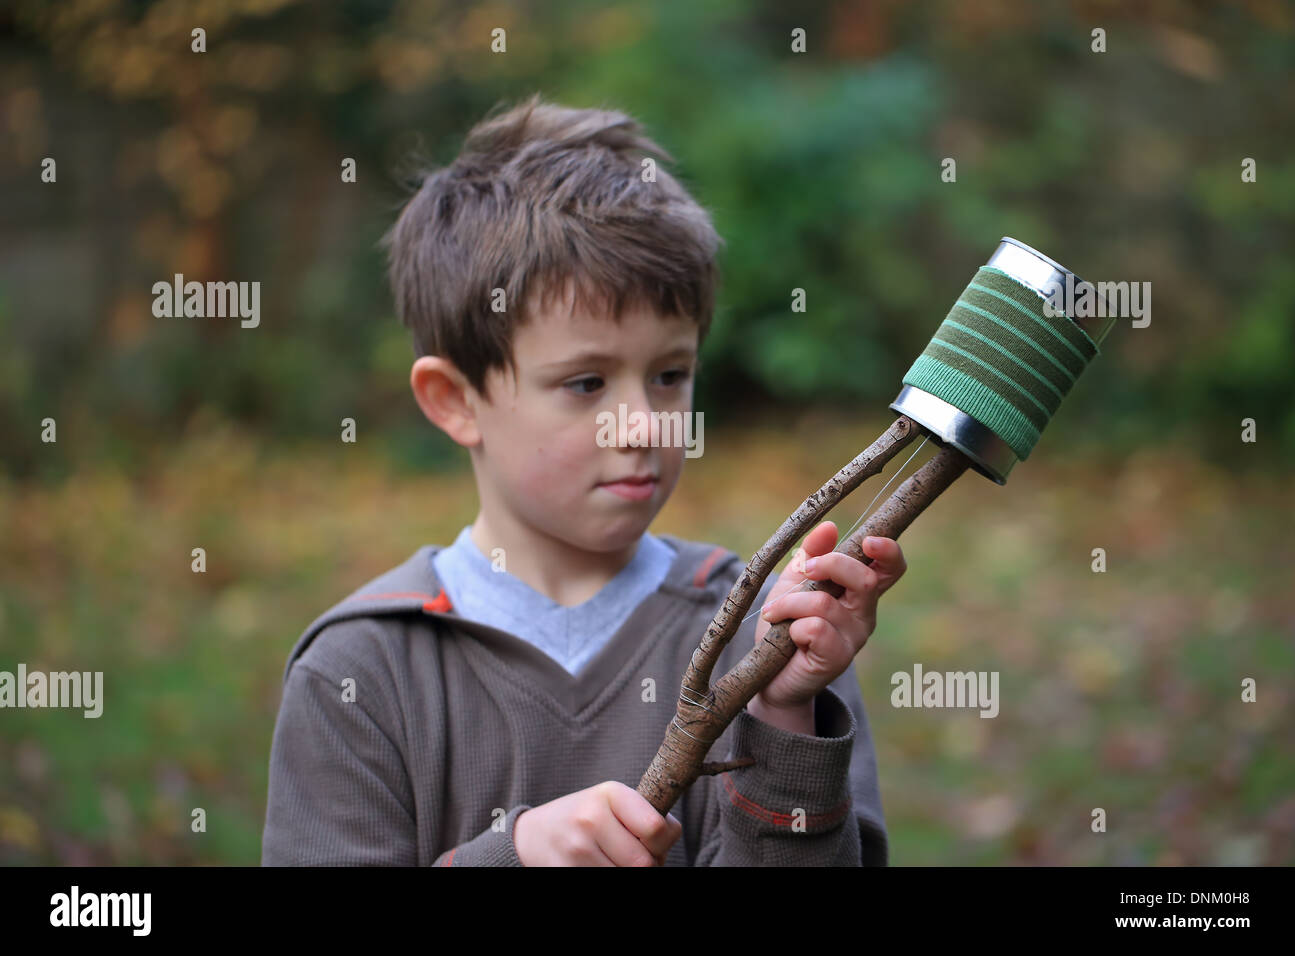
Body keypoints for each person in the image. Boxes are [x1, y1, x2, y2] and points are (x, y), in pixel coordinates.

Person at [260, 94, 906, 867]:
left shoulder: (763, 634)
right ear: (455, 401)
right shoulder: (360, 672)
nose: (644, 423)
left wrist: (782, 718)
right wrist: (510, 858)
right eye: (586, 383)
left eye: (670, 374)